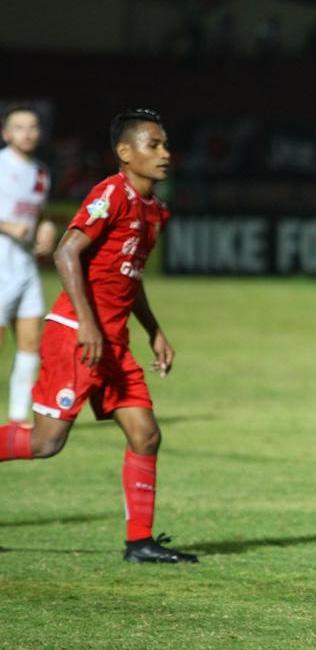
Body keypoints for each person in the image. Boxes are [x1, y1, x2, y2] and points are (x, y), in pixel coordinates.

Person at [0, 109, 197, 564]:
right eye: (153, 145)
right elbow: (68, 251)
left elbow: (131, 276)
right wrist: (87, 323)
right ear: (125, 154)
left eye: (166, 145)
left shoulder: (154, 210)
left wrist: (154, 331)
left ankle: (139, 543)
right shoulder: (112, 193)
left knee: (145, 434)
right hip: (77, 336)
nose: (164, 153)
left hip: (114, 343)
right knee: (46, 443)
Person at [0, 105, 57, 425]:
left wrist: (47, 227)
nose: (27, 132)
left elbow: (42, 213)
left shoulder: (40, 172)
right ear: (6, 133)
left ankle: (19, 416)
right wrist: (7, 227)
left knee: (31, 340)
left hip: (24, 268)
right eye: (19, 127)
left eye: (33, 126)